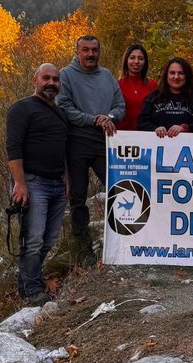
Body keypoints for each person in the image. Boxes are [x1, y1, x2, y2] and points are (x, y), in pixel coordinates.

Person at [57, 35, 125, 260]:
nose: (90, 54)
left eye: (94, 50)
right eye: (85, 50)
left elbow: (119, 106)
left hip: (105, 142)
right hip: (76, 142)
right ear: (77, 52)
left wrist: (109, 117)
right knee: (78, 197)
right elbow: (64, 106)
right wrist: (93, 119)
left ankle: (123, 239)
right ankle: (83, 251)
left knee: (119, 188)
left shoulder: (106, 75)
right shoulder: (66, 75)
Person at [6, 63, 68, 306]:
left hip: (56, 184)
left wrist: (66, 177)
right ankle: (32, 290)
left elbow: (62, 148)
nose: (51, 83)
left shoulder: (60, 113)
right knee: (32, 239)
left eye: (55, 79)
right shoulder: (21, 108)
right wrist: (19, 183)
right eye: (46, 78)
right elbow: (13, 147)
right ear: (35, 80)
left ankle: (27, 280)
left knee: (49, 238)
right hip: (33, 183)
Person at [137, 57, 193, 137]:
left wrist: (185, 128)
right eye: (172, 73)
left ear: (187, 76)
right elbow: (142, 122)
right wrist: (155, 129)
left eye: (181, 73)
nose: (176, 77)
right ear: (166, 75)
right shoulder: (153, 97)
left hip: (188, 147)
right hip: (158, 146)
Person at [117, 44, 158, 131]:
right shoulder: (116, 85)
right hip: (122, 137)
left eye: (140, 58)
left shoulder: (153, 85)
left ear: (145, 62)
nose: (136, 61)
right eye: (132, 57)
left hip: (147, 136)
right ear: (126, 60)